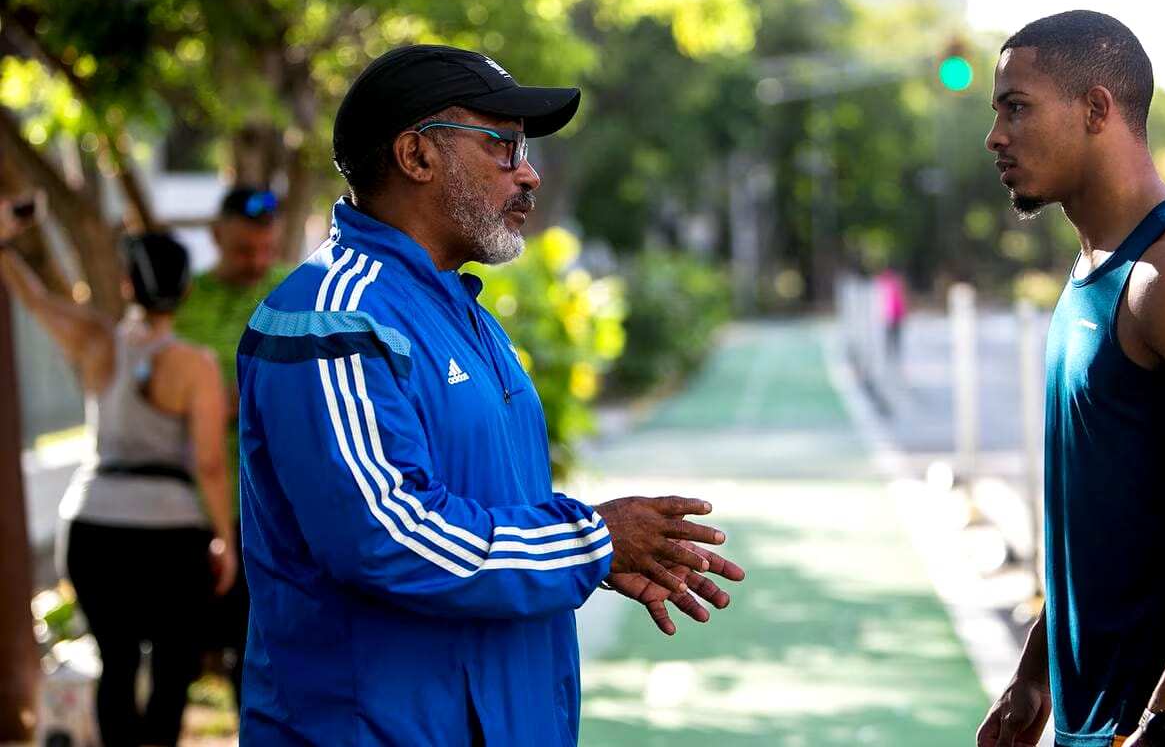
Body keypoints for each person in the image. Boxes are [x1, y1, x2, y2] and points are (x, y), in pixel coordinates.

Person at [236, 44, 745, 746]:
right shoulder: (336, 319)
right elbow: (390, 537)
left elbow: (488, 508)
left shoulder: (462, 315)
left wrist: (587, 559)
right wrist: (589, 543)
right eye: (503, 146)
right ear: (417, 156)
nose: (528, 172)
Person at [977, 11, 1165, 747]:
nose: (995, 136)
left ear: (1095, 110)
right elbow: (1105, 515)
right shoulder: (1095, 267)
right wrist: (1035, 676)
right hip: (1100, 716)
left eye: (1015, 108)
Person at [0, 198, 237, 747]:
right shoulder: (195, 365)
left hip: (92, 524)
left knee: (117, 662)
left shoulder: (93, 338)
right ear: (186, 291)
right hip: (170, 532)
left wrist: (5, 245)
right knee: (174, 666)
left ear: (129, 285)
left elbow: (35, 299)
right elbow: (209, 461)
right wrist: (223, 536)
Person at [172, 185, 287, 702]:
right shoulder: (184, 298)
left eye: (266, 248)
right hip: (187, 503)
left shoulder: (296, 292)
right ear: (216, 236)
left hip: (268, 503)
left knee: (259, 651)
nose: (257, 261)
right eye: (244, 250)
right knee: (178, 654)